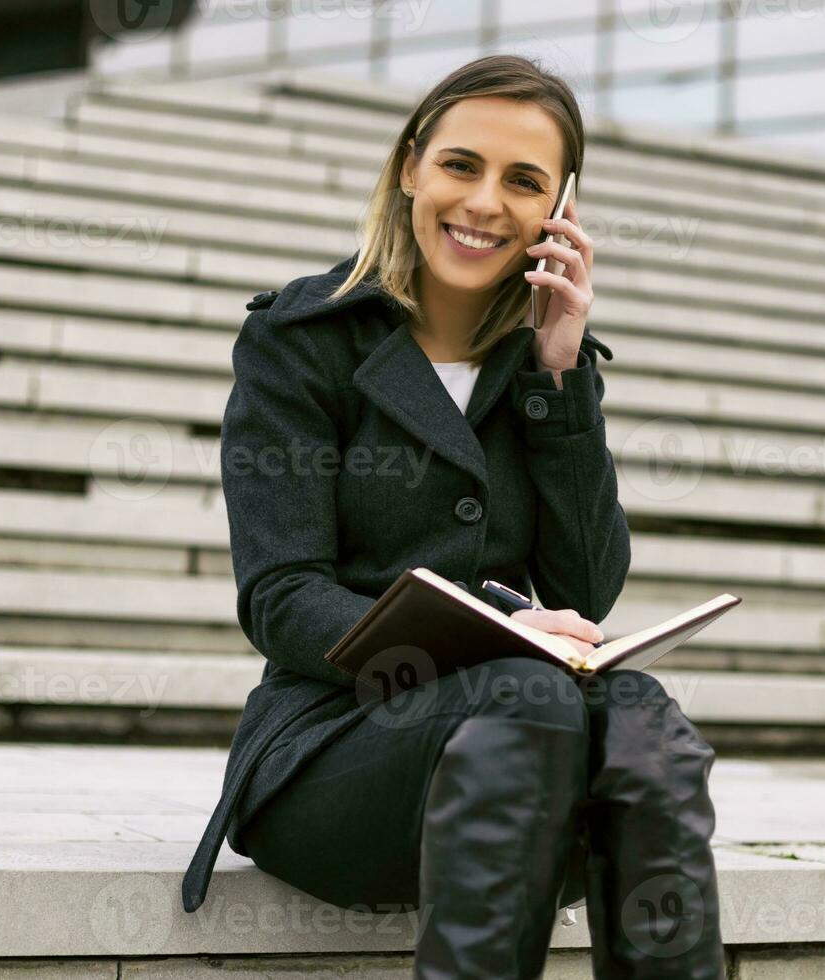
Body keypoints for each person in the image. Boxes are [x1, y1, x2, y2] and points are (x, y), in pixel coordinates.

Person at [182, 54, 727, 980]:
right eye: (461, 165)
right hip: (332, 758)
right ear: (409, 168)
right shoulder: (300, 341)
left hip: (525, 773)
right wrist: (503, 634)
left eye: (524, 181)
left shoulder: (548, 362)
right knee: (531, 691)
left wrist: (559, 379)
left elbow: (589, 589)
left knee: (640, 712)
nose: (484, 202)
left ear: (559, 210)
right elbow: (280, 596)